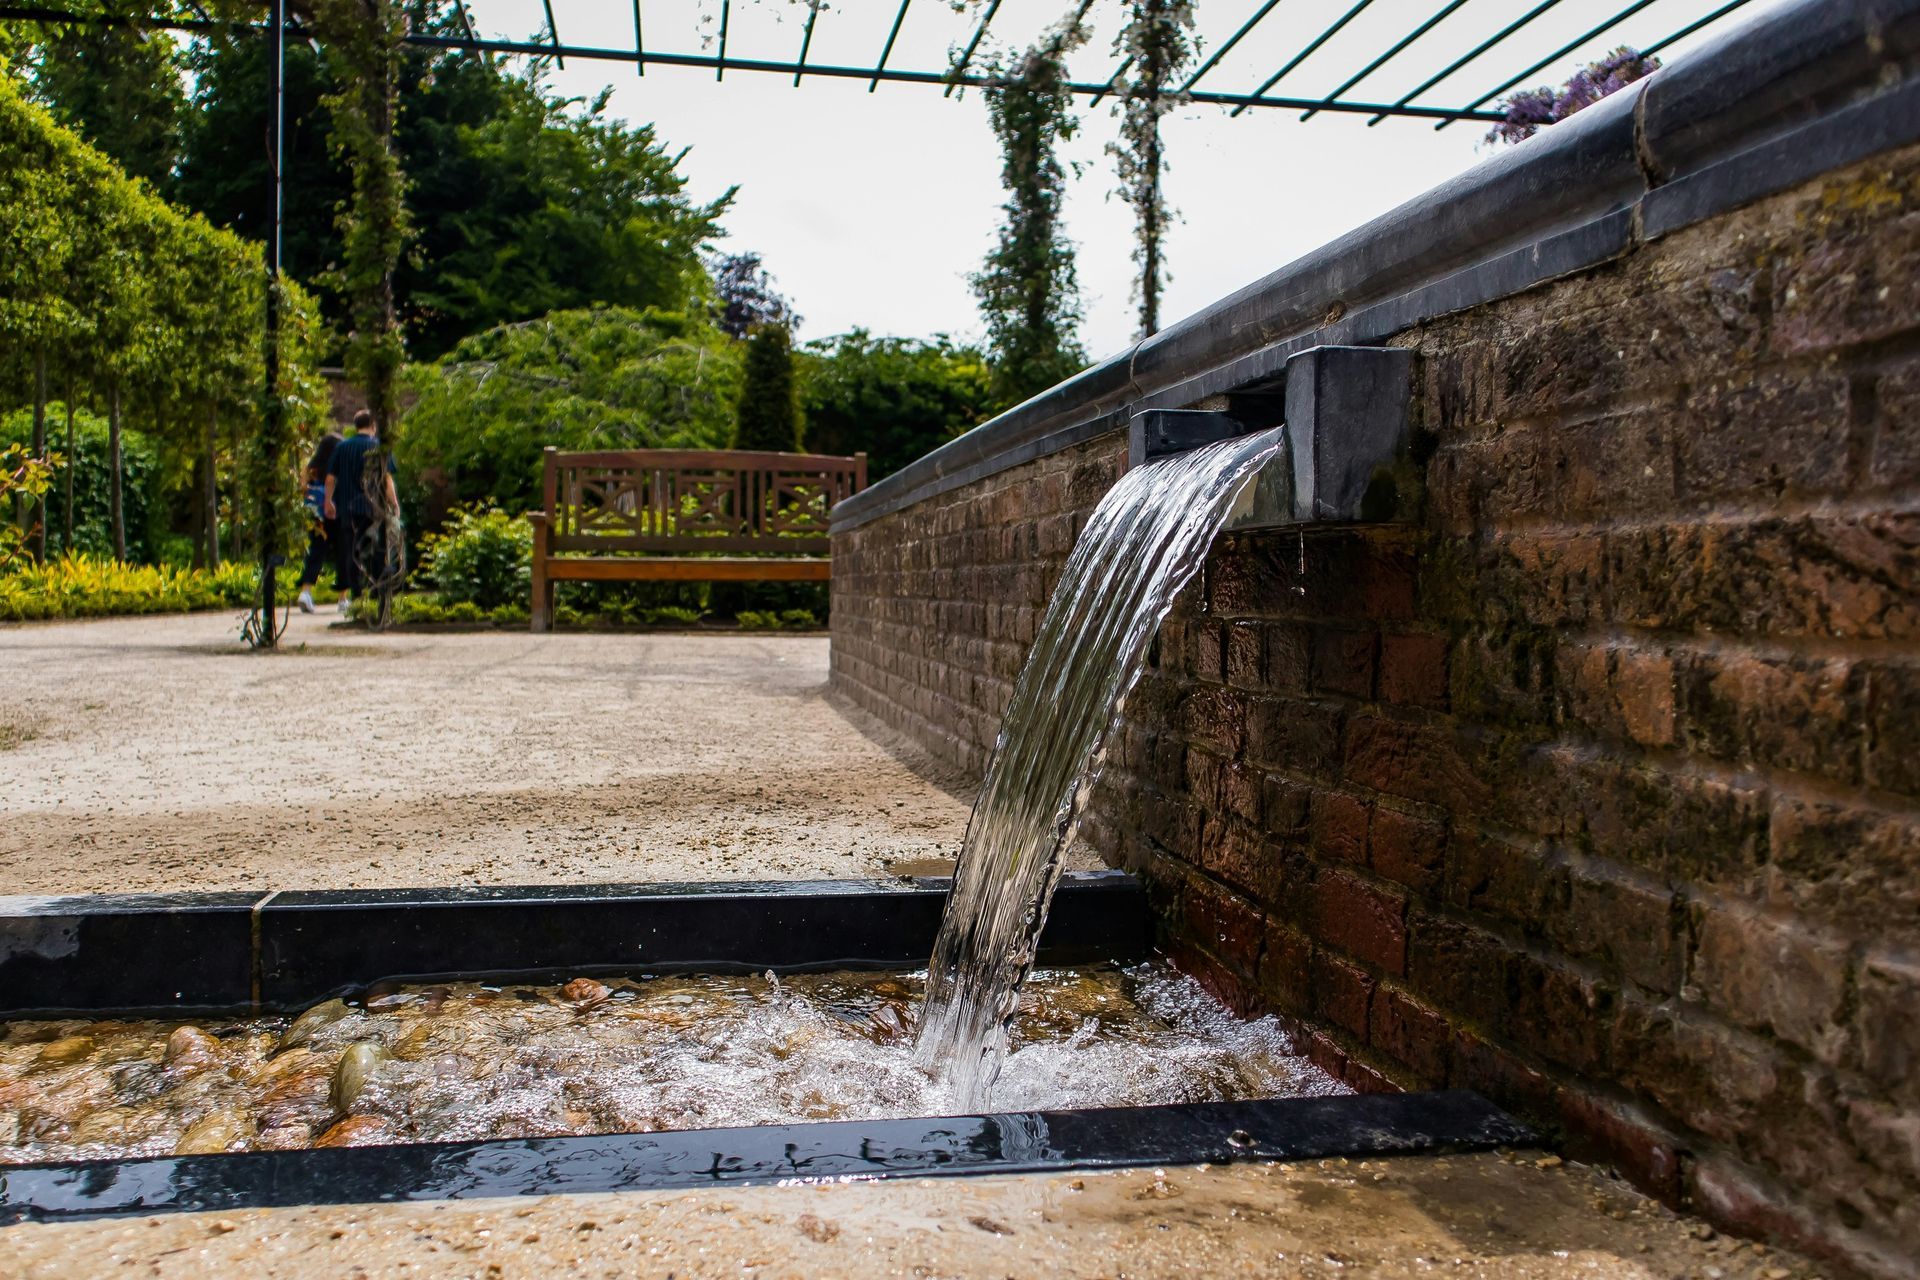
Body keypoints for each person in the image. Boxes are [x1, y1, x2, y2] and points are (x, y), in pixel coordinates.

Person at [324, 409, 399, 614]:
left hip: (347, 507)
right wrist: (394, 503)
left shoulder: (342, 448)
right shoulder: (378, 448)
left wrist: (328, 501)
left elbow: (330, 478)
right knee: (377, 549)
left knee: (351, 551)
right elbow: (387, 479)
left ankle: (356, 596)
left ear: (355, 425)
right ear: (373, 425)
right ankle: (377, 592)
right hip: (374, 508)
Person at [295, 431, 343, 614]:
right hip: (335, 513)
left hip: (316, 517)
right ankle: (343, 598)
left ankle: (306, 592)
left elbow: (302, 489)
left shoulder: (311, 468)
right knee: (343, 553)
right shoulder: (337, 467)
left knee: (316, 552)